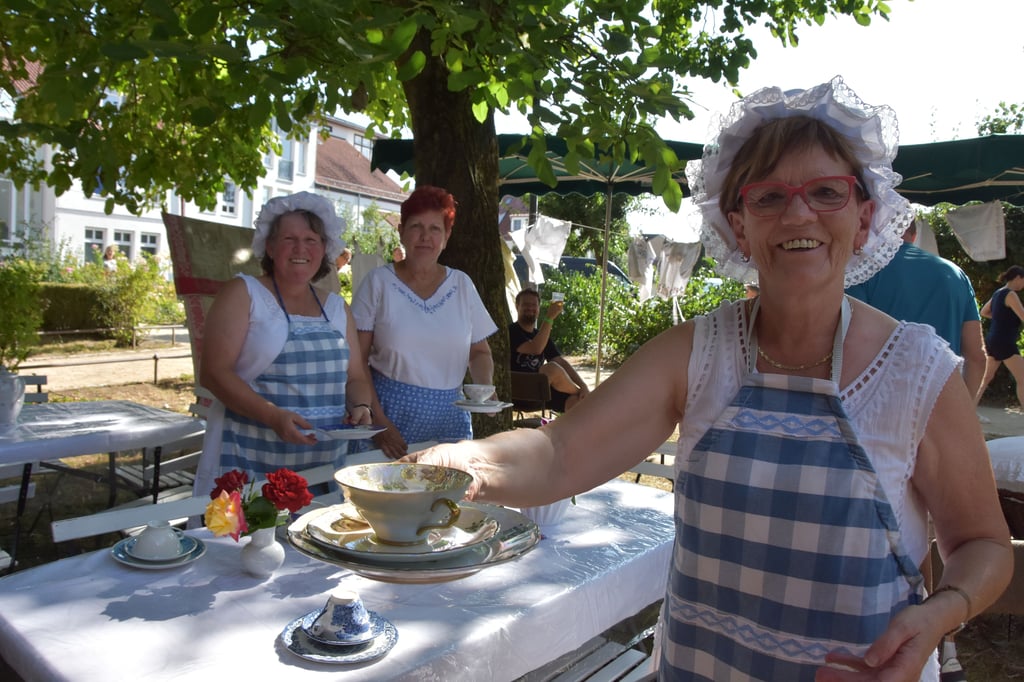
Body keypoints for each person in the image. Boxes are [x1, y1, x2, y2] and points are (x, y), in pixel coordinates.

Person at [407, 78, 1012, 681]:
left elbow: (982, 544)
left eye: (826, 192)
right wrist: (469, 464)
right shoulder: (697, 352)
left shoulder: (916, 371)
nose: (798, 212)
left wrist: (941, 615)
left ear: (864, 216)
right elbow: (560, 451)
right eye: (768, 197)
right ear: (738, 226)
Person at [192, 191, 375, 496]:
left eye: (311, 240)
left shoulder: (336, 308)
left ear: (325, 249)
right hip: (251, 466)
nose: (300, 248)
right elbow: (213, 373)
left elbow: (355, 377)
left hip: (322, 470)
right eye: (289, 239)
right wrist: (272, 417)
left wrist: (361, 405)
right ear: (271, 247)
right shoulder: (243, 293)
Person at [351, 185, 497, 459]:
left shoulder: (462, 285)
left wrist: (483, 388)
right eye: (416, 226)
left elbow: (479, 352)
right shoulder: (378, 283)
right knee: (387, 498)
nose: (425, 237)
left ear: (447, 236)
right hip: (389, 420)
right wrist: (379, 422)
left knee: (444, 501)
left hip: (450, 423)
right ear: (402, 231)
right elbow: (357, 361)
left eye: (435, 229)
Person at [846, 220, 986, 401]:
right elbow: (977, 357)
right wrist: (964, 409)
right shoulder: (956, 274)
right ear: (914, 236)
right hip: (942, 403)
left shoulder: (860, 271)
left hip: (881, 404)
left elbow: (850, 343)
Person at [509, 288, 589, 412]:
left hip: (540, 393)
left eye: (533, 305)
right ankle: (586, 396)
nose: (530, 308)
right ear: (517, 306)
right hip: (519, 392)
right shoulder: (511, 331)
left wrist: (583, 386)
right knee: (550, 369)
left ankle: (569, 428)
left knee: (574, 400)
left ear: (539, 308)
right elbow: (536, 348)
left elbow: (560, 362)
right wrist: (549, 317)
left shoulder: (540, 335)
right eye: (525, 304)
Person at [978, 265, 1024, 406]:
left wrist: (1001, 318)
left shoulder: (998, 293)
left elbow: (984, 312)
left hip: (993, 340)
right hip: (1005, 342)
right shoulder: (1010, 294)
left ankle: (971, 408)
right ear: (1017, 278)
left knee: (986, 378)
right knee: (1023, 378)